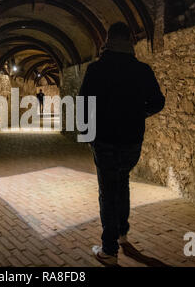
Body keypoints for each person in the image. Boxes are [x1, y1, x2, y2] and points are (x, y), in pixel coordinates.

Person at [79, 22, 165, 267]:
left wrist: (87, 137)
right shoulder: (142, 70)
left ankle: (109, 251)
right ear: (129, 41)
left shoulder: (96, 69)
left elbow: (83, 104)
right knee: (123, 182)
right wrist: (139, 113)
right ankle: (122, 233)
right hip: (131, 141)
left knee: (107, 192)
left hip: (105, 140)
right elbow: (158, 102)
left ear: (108, 40)